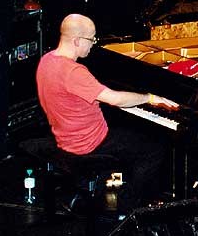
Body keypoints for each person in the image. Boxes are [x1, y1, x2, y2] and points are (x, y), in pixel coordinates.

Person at [36, 13, 179, 214]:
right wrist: (150, 98)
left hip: (64, 137)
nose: (93, 44)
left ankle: (111, 187)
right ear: (76, 40)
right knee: (155, 148)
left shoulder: (46, 61)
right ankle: (129, 207)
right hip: (89, 143)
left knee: (133, 135)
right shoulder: (73, 72)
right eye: (91, 39)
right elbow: (115, 99)